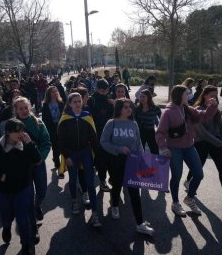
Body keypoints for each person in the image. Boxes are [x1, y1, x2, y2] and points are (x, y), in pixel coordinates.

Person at [156, 85, 218, 216]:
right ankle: (175, 203)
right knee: (176, 177)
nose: (189, 95)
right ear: (180, 96)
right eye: (186, 93)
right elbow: (160, 133)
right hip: (174, 149)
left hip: (189, 147)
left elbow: (204, 116)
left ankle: (189, 198)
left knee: (199, 174)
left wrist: (212, 106)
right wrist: (163, 147)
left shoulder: (188, 109)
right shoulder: (168, 112)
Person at [0, 118, 41, 254]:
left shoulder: (26, 145)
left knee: (22, 219)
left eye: (22, 130)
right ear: (8, 132)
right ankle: (7, 227)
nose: (20, 134)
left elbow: (38, 161)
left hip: (23, 188)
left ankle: (25, 246)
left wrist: (30, 144)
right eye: (17, 131)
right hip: (3, 190)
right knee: (6, 215)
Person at [100, 98, 155, 235]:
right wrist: (119, 149)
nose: (129, 109)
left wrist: (142, 160)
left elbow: (139, 144)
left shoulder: (134, 124)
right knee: (117, 185)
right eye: (125, 107)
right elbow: (104, 142)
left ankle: (140, 223)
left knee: (135, 192)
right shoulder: (111, 123)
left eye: (130, 106)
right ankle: (115, 205)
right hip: (115, 161)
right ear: (119, 109)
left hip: (132, 161)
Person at [184, 86, 222, 207]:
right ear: (204, 95)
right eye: (211, 95)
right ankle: (188, 182)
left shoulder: (216, 109)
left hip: (216, 143)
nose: (213, 97)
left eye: (215, 95)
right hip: (202, 143)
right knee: (198, 167)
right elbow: (201, 131)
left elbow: (220, 128)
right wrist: (217, 141)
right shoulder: (198, 109)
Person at [57, 92, 101, 227]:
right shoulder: (65, 118)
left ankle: (95, 214)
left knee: (90, 182)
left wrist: (97, 156)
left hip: (85, 152)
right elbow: (61, 140)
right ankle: (74, 201)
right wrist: (66, 156)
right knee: (72, 178)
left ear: (82, 102)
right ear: (69, 104)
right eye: (74, 102)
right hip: (71, 153)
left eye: (79, 101)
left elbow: (93, 138)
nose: (77, 104)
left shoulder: (87, 117)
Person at [14, 97, 51, 222]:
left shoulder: (38, 122)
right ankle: (32, 221)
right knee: (28, 194)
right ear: (16, 111)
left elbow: (46, 143)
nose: (24, 111)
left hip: (38, 162)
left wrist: (40, 157)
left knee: (42, 191)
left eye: (26, 108)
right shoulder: (13, 125)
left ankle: (37, 205)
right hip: (23, 166)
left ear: (29, 108)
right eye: (21, 108)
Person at [87, 79, 114, 192]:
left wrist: (114, 105)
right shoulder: (91, 101)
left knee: (111, 159)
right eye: (102, 90)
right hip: (96, 136)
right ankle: (102, 181)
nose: (104, 92)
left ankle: (111, 179)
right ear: (97, 89)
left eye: (106, 90)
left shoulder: (109, 101)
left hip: (109, 135)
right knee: (100, 160)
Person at [42, 86, 64, 172]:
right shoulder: (45, 105)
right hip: (52, 128)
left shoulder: (61, 103)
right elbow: (44, 119)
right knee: (55, 146)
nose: (55, 93)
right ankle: (56, 161)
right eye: (52, 92)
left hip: (61, 127)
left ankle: (62, 161)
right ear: (49, 94)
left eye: (56, 91)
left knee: (62, 145)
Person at [134, 89, 161, 154]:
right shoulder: (137, 108)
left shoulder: (155, 108)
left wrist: (160, 131)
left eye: (143, 97)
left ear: (148, 97)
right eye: (140, 97)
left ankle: (155, 163)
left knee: (154, 150)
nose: (141, 98)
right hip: (140, 132)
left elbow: (162, 120)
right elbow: (134, 120)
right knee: (139, 150)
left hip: (150, 131)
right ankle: (139, 163)